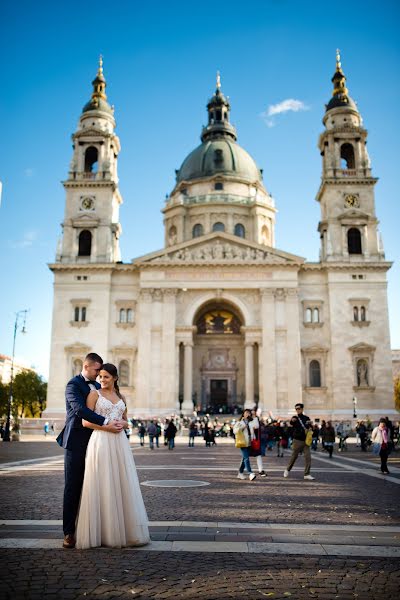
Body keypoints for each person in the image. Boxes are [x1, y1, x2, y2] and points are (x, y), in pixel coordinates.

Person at [75, 363, 150, 549]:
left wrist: (122, 425)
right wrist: (107, 426)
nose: (102, 380)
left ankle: (122, 530)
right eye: (100, 376)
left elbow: (126, 421)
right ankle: (102, 532)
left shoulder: (121, 397)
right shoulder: (94, 394)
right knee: (102, 482)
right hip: (101, 440)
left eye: (106, 377)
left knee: (120, 482)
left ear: (115, 378)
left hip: (119, 443)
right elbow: (85, 421)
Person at [56, 353, 123, 549]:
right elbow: (79, 410)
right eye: (97, 371)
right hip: (77, 441)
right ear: (86, 366)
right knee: (73, 487)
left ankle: (94, 529)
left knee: (96, 486)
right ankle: (69, 532)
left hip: (97, 441)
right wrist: (106, 422)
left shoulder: (97, 386)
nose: (100, 375)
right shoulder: (73, 385)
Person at [284, 403, 315, 480]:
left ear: (302, 409)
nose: (297, 410)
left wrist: (310, 425)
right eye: (296, 409)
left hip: (305, 441)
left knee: (308, 457)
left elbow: (310, 427)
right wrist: (292, 420)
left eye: (299, 409)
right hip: (297, 440)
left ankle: (306, 474)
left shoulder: (306, 418)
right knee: (294, 456)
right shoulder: (295, 417)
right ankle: (287, 469)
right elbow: (292, 422)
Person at [233, 409, 256, 481]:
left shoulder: (251, 422)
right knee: (246, 458)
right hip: (242, 442)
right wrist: (242, 427)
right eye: (246, 413)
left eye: (249, 413)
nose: (247, 414)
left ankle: (240, 473)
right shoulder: (240, 422)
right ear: (243, 414)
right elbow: (235, 431)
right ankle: (250, 473)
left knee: (244, 458)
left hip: (249, 442)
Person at [250, 408, 267, 476]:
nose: (254, 415)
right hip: (249, 440)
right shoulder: (248, 420)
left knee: (258, 455)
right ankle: (241, 471)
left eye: (255, 413)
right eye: (252, 414)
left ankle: (261, 470)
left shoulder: (258, 420)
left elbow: (260, 428)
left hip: (256, 440)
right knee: (245, 457)